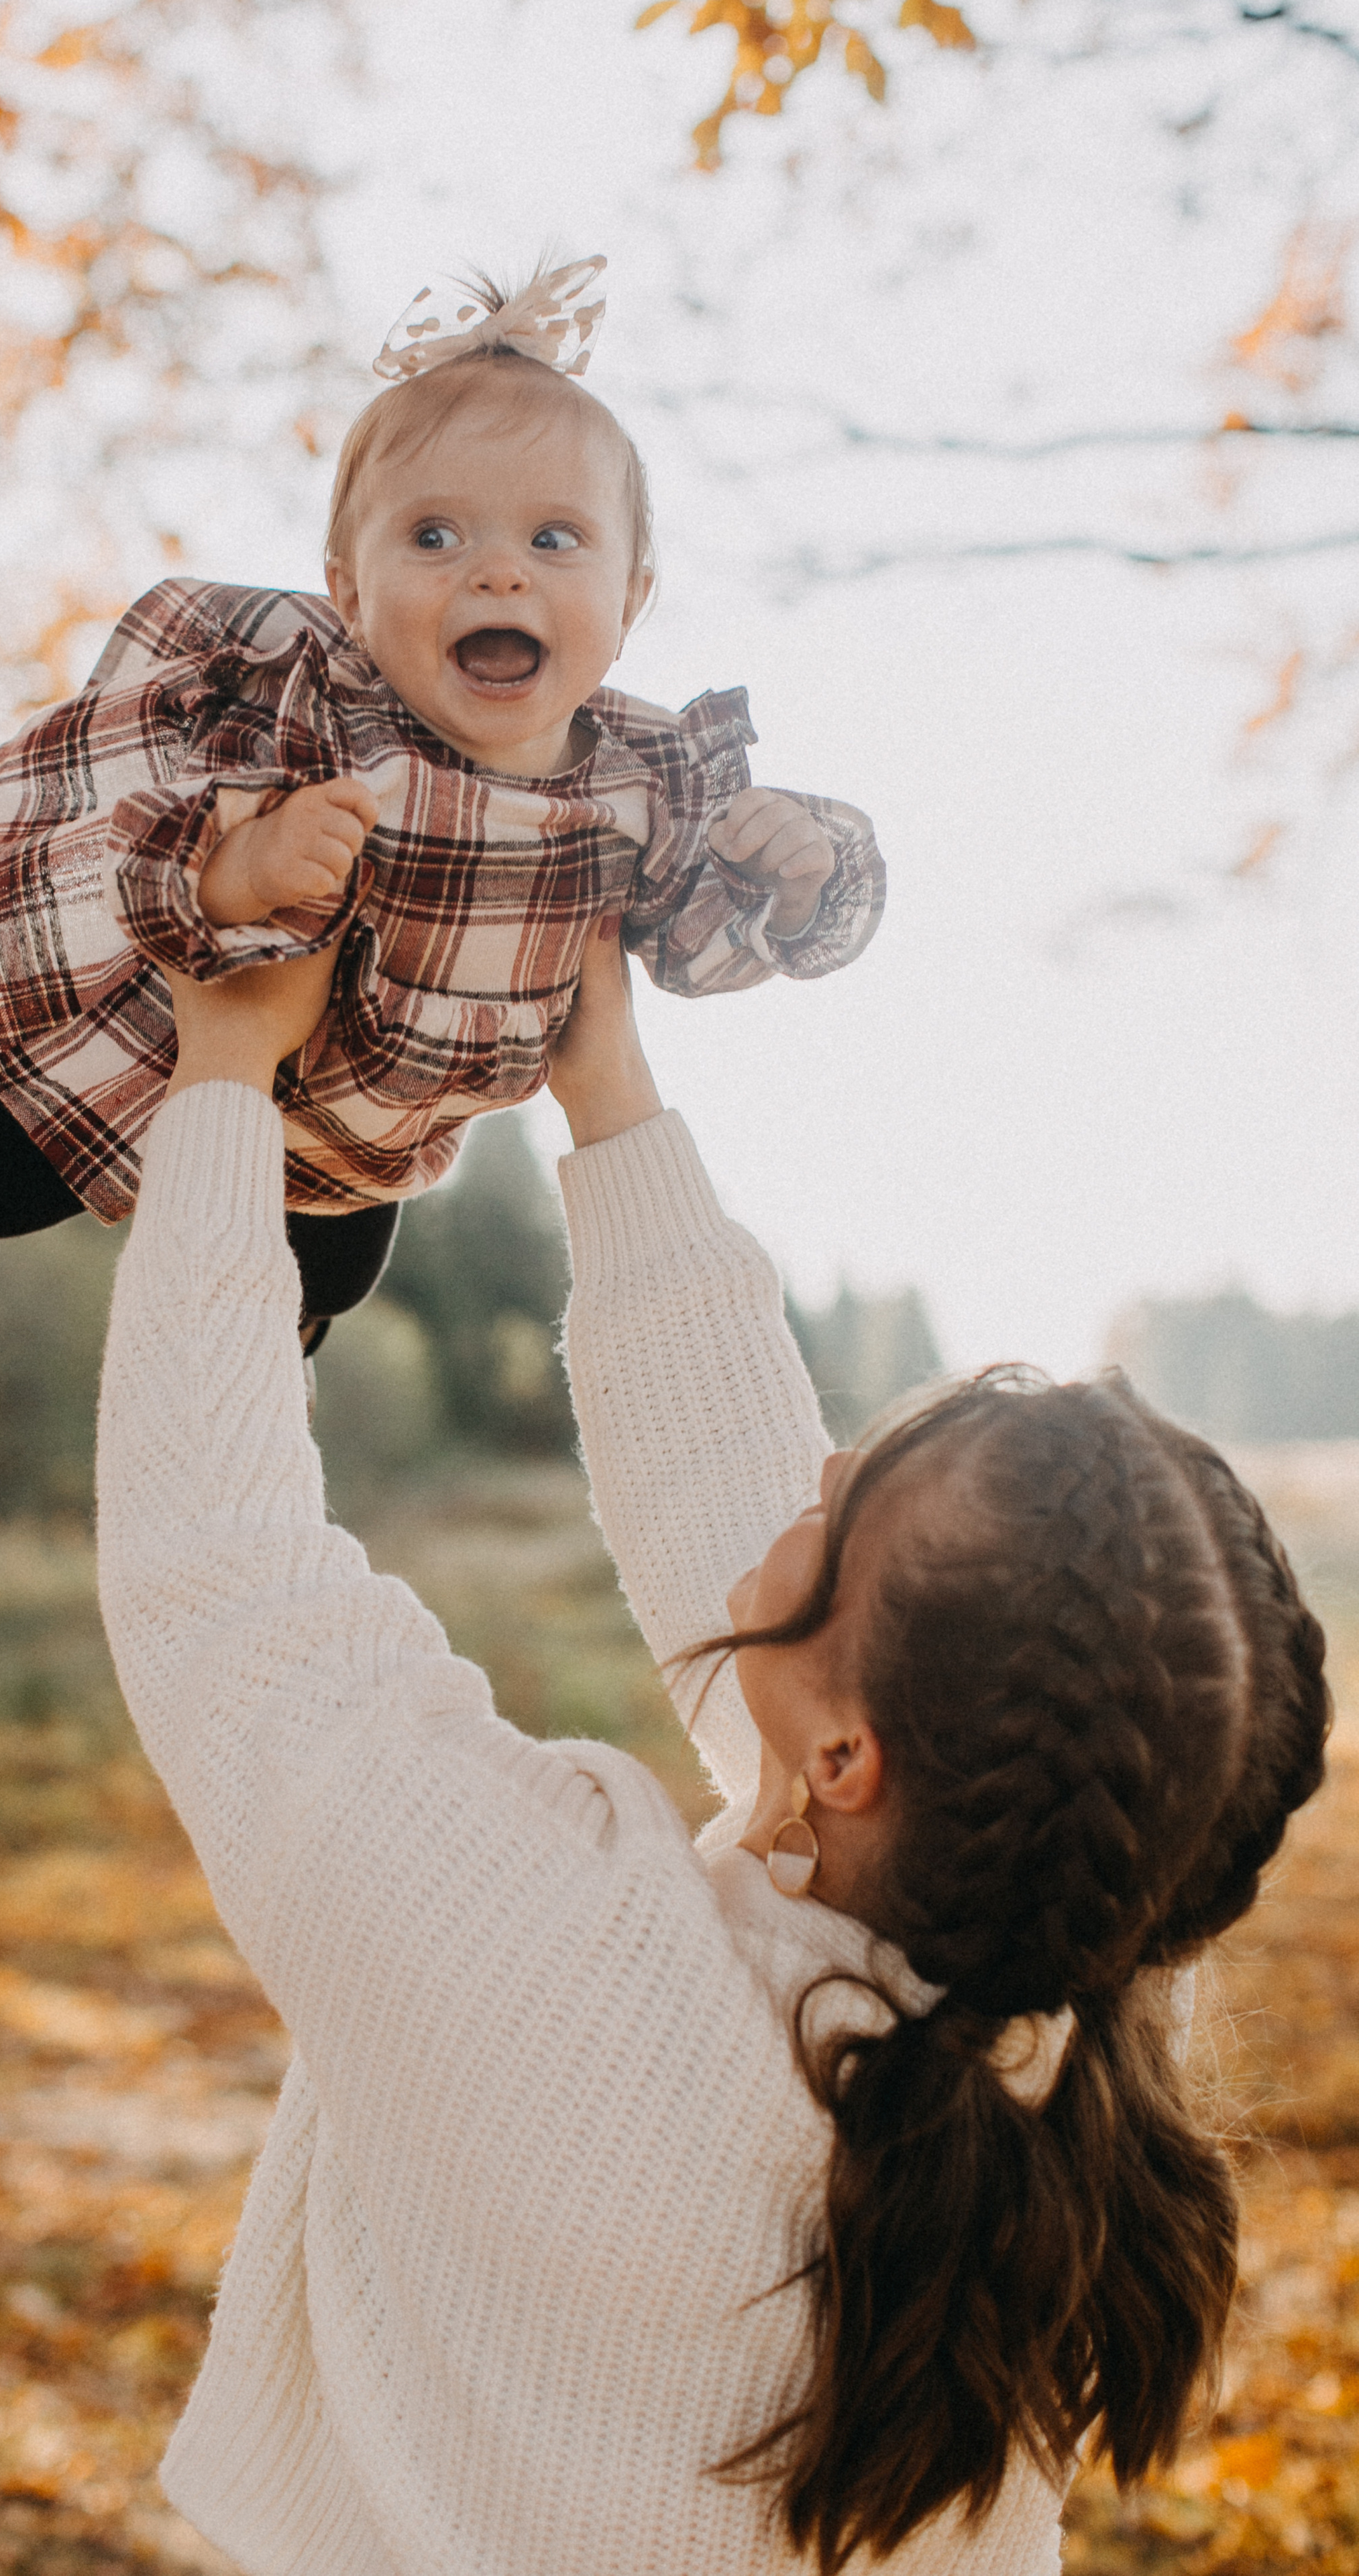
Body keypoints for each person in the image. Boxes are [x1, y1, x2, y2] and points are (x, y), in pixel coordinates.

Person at [93, 926, 1329, 2576]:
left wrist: (227, 1078)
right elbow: (755, 1553)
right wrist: (611, 1109)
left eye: (849, 1511)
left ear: (844, 1762)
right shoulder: (1063, 2000)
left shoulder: (545, 1964)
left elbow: (224, 1583)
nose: (809, 1476)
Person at [0, 256, 883, 1352]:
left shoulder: (647, 783)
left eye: (554, 539)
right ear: (350, 589)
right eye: (435, 536)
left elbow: (700, 948)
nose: (499, 573)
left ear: (634, 594)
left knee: (333, 1280)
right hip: (176, 1051)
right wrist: (242, 868)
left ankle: (260, 1345)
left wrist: (790, 884)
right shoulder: (316, 716)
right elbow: (146, 843)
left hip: (374, 1126)